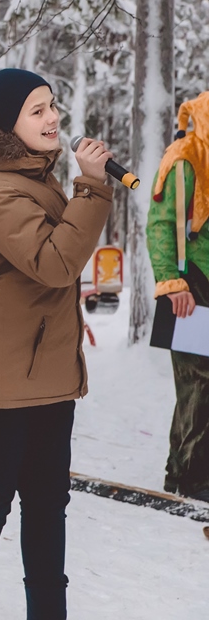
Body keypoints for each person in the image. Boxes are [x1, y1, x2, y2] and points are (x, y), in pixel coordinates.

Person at [0, 68, 113, 619]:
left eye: (52, 105)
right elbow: (55, 262)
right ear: (5, 124)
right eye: (36, 110)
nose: (53, 118)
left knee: (47, 506)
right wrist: (91, 186)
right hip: (0, 377)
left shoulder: (34, 179)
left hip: (44, 373)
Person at [147, 91, 209, 503]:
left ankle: (181, 472)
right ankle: (192, 479)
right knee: (199, 382)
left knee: (200, 383)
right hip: (191, 281)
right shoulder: (185, 158)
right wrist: (172, 282)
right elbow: (160, 225)